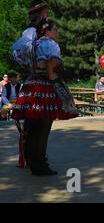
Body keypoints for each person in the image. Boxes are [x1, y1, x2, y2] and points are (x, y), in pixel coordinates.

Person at [12, 18, 79, 175]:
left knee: (32, 127)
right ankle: (40, 164)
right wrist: (53, 78)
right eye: (54, 29)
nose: (56, 32)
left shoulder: (31, 45)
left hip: (31, 84)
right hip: (44, 86)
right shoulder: (50, 44)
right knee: (43, 128)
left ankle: (31, 160)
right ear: (47, 31)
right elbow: (51, 62)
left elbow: (18, 56)